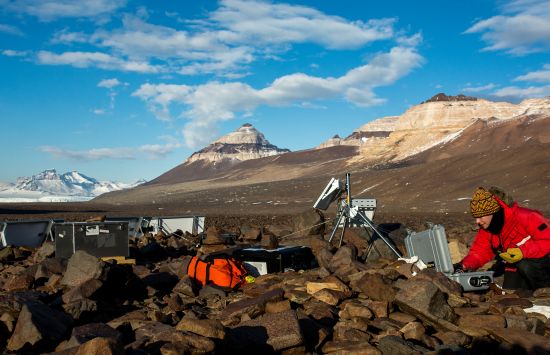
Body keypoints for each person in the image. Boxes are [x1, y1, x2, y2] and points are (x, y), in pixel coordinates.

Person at [454, 187, 550, 290]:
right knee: (510, 296)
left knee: (525, 265)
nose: (477, 221)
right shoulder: (487, 229)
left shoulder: (527, 216)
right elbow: (479, 253)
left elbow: (547, 240)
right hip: (514, 266)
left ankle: (545, 295)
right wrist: (463, 266)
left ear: (493, 213)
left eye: (481, 217)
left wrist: (522, 252)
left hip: (543, 262)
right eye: (476, 217)